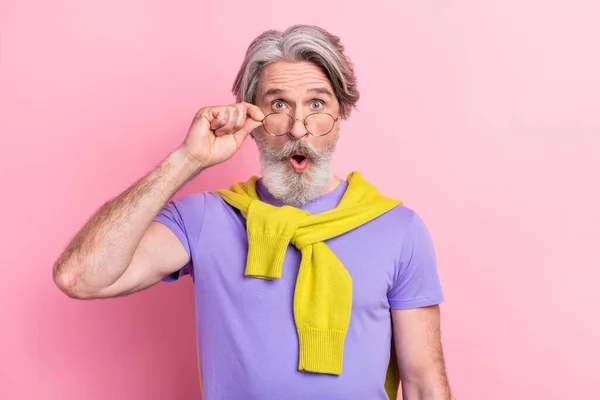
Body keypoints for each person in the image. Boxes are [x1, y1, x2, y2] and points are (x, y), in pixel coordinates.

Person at [53, 24, 452, 400]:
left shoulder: (398, 230)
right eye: (278, 104)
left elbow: (423, 385)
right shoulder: (205, 219)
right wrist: (188, 159)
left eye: (317, 103)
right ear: (253, 117)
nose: (299, 128)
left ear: (342, 113)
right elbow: (79, 277)